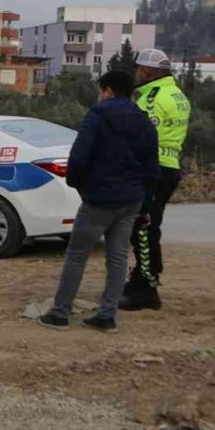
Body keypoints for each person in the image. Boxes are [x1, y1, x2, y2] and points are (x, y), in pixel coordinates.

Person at [39, 70, 159, 333]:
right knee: (117, 258)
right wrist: (146, 206)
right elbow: (152, 168)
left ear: (108, 90)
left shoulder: (98, 116)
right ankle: (107, 316)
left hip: (100, 199)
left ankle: (59, 313)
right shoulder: (144, 121)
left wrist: (77, 183)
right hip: (131, 200)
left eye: (100, 91)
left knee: (76, 255)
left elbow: (79, 157)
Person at [120, 48, 190, 311]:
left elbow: (141, 138)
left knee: (143, 227)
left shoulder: (151, 99)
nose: (136, 74)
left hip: (152, 169)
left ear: (147, 72)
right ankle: (144, 279)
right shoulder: (178, 94)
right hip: (169, 166)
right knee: (151, 225)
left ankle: (146, 288)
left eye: (138, 69)